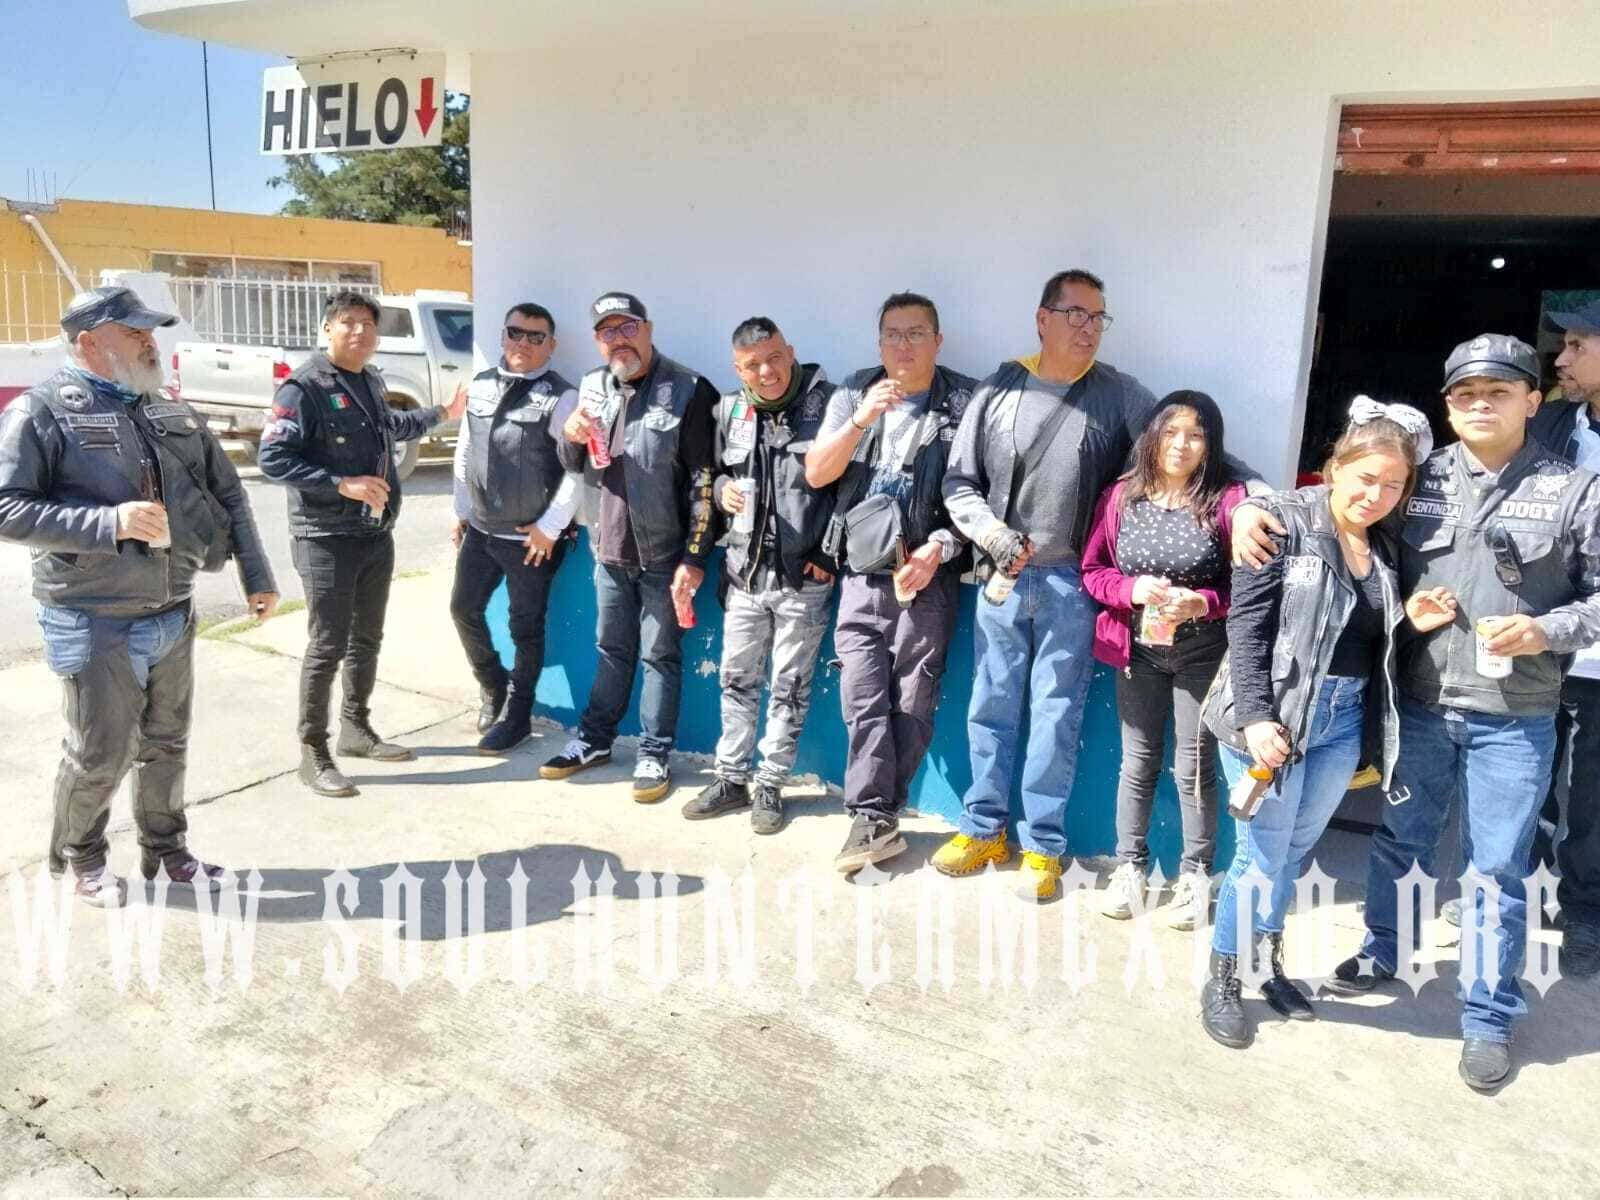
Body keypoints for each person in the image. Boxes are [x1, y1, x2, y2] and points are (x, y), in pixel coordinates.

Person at [1238, 335, 1600, 1091]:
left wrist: (1547, 630)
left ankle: (1487, 1017)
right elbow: (1340, 512)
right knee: (1401, 840)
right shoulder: (1418, 478)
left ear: (1533, 401)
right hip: (1419, 703)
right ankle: (1384, 949)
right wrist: (1251, 509)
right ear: (1447, 406)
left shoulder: (1574, 490)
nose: (1480, 404)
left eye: (1499, 392)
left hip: (1516, 713)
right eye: (1465, 394)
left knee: (1495, 868)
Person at [0, 286, 277, 905]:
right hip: (92, 615)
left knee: (166, 744)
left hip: (172, 610)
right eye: (133, 332)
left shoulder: (168, 408)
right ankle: (82, 857)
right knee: (100, 753)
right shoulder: (41, 412)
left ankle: (167, 850)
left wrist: (256, 575)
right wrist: (108, 523)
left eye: (150, 331)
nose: (149, 342)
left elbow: (229, 494)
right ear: (88, 342)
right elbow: (7, 507)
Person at [1197, 401, 1435, 1049]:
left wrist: (1415, 619)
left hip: (1341, 721)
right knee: (1260, 856)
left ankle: (1264, 959)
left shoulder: (1385, 544)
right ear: (1336, 468)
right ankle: (1223, 977)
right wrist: (1255, 718)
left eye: (1393, 485)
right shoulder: (1281, 521)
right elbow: (1247, 626)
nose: (1375, 495)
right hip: (1274, 718)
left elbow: (1370, 635)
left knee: (1295, 851)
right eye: (1366, 478)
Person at [934, 268, 1160, 901]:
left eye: (1098, 317)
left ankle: (1043, 846)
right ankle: (983, 828)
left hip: (1072, 585)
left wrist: (1248, 492)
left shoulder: (1121, 394)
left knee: (1057, 716)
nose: (1088, 328)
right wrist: (994, 536)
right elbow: (959, 482)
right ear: (1043, 318)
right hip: (1002, 576)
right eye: (1075, 314)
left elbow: (1180, 446)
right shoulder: (1000, 387)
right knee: (990, 705)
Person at [259, 290, 467, 797]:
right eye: (349, 322)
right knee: (328, 644)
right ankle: (313, 751)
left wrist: (442, 412)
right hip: (325, 536)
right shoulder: (303, 388)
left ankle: (356, 728)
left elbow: (390, 425)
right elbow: (273, 459)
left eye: (368, 324)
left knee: (367, 638)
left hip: (374, 533)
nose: (360, 332)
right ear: (327, 329)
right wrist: (340, 484)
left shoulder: (370, 380)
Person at [804, 292, 976, 873]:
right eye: (893, 335)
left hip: (928, 575)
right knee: (861, 695)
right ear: (879, 343)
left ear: (938, 340)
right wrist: (860, 420)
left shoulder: (966, 402)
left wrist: (940, 546)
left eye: (916, 333)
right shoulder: (855, 392)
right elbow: (817, 472)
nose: (904, 345)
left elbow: (984, 492)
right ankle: (873, 814)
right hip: (860, 573)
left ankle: (876, 815)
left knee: (912, 699)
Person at [1081, 390, 1249, 929]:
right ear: (1152, 437)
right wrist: (1130, 590)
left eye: (1196, 435)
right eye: (1171, 432)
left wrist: (1203, 602)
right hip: (1137, 651)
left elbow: (1247, 585)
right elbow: (1093, 572)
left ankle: (1196, 877)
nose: (1181, 445)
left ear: (1211, 445)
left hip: (1203, 652)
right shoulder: (1121, 497)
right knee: (1138, 762)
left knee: (1194, 767)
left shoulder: (1229, 501)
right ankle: (1129, 867)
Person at [541, 292, 718, 803]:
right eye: (607, 332)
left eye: (628, 327)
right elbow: (574, 465)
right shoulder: (592, 385)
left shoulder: (689, 389)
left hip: (665, 554)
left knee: (659, 656)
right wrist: (570, 436)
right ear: (598, 341)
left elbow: (705, 482)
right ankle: (595, 740)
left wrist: (694, 557)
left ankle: (654, 752)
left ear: (648, 329)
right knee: (611, 650)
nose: (619, 339)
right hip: (609, 549)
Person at [681, 318, 836, 834]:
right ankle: (730, 779)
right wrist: (723, 488)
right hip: (743, 572)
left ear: (790, 352)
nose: (766, 372)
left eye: (774, 358)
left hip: (802, 578)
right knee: (735, 679)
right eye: (753, 365)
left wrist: (829, 553)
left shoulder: (829, 405)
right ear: (738, 369)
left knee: (790, 686)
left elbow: (852, 484)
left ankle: (770, 783)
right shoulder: (729, 409)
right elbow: (711, 475)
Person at [449, 302, 579, 754]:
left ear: (551, 345)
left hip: (530, 541)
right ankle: (493, 684)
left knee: (525, 628)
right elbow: (465, 450)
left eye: (535, 336)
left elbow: (576, 471)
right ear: (503, 336)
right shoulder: (482, 384)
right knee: (463, 610)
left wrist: (550, 528)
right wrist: (460, 511)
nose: (523, 342)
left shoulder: (563, 398)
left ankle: (519, 717)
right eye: (515, 332)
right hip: (481, 531)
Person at [1525, 299, 1600, 977]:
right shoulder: (1551, 423)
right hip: (1538, 641)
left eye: (1578, 345)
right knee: (1523, 775)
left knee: (1590, 795)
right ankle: (1515, 892)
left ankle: (1583, 912)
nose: (1561, 358)